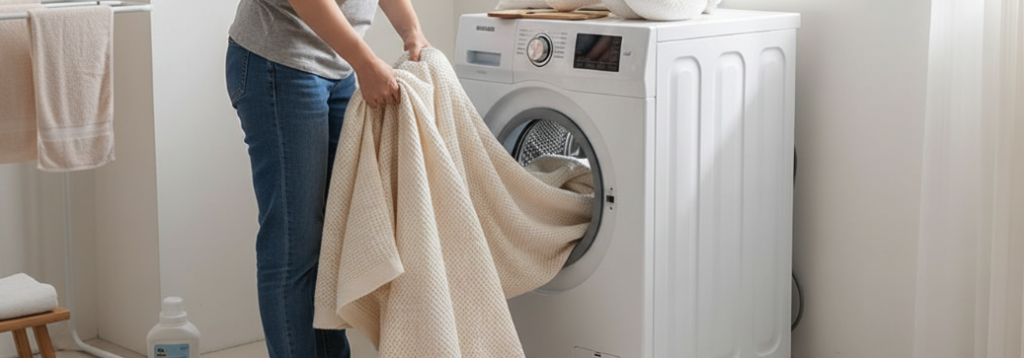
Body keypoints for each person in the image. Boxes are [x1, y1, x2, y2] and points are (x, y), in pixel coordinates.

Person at [224, 1, 430, 357]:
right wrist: (365, 63)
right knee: (294, 244)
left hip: (335, 67)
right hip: (279, 63)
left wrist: (412, 32)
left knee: (331, 243)